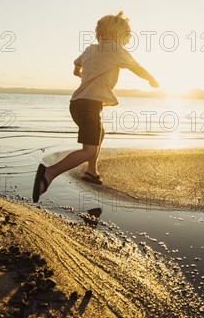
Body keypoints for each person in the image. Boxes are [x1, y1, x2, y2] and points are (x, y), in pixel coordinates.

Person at [32, 11, 159, 202]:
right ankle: (48, 173)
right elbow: (137, 68)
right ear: (121, 35)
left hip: (76, 104)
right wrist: (152, 80)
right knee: (89, 150)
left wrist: (79, 71)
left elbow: (76, 64)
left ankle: (91, 171)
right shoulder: (117, 50)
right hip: (89, 106)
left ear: (99, 32)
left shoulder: (91, 49)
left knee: (99, 134)